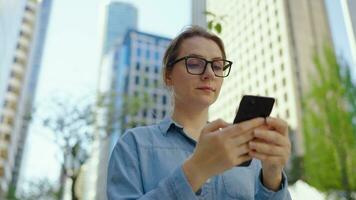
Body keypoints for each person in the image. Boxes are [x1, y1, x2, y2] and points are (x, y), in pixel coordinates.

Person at [107, 26, 292, 200]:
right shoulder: (134, 145)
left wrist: (273, 176)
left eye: (218, 66)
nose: (209, 74)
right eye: (194, 64)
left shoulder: (246, 152)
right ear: (168, 75)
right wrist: (196, 170)